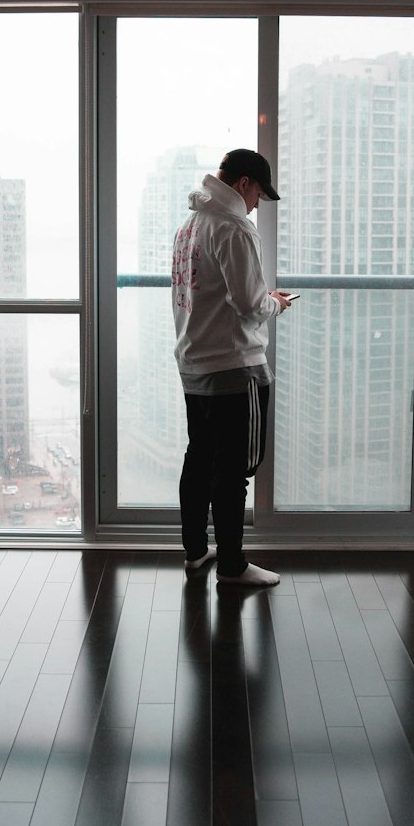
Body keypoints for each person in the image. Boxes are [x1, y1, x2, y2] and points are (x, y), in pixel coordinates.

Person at [171, 147, 295, 586]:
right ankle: (233, 566)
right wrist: (276, 304)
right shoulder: (234, 228)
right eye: (260, 193)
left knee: (199, 457)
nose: (259, 204)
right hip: (234, 365)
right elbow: (248, 303)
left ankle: (195, 551)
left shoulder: (190, 225)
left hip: (194, 360)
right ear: (244, 183)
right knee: (234, 470)